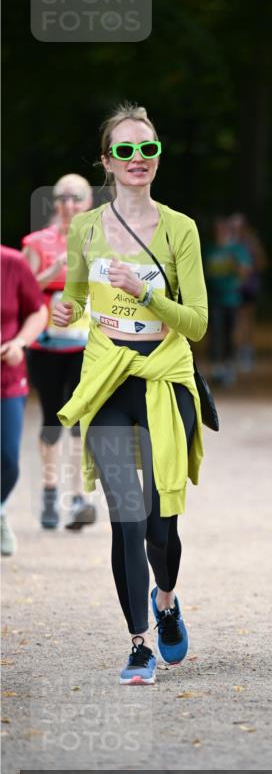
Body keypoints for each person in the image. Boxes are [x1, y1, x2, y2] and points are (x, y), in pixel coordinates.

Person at [53, 102, 208, 685]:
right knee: (127, 517)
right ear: (107, 162)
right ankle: (139, 642)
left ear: (158, 156)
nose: (138, 159)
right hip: (109, 377)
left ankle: (165, 597)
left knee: (161, 521)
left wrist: (144, 296)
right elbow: (71, 300)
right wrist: (61, 308)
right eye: (126, 150)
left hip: (166, 377)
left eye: (148, 148)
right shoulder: (86, 228)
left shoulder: (180, 229)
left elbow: (196, 323)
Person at [22, 174, 97, 531]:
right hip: (47, 346)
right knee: (52, 420)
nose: (69, 205)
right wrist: (50, 272)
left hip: (87, 346)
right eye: (63, 198)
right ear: (55, 203)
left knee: (83, 422)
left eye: (77, 198)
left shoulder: (104, 240)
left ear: (89, 203)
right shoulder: (36, 243)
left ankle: (80, 498)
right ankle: (50, 493)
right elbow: (18, 293)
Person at [1, 246, 49, 555]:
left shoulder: (12, 263)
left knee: (8, 460)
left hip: (7, 377)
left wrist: (20, 342)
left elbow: (38, 310)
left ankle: (0, 509)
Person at [204, 215, 252, 385]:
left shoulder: (237, 249)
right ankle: (217, 366)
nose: (220, 233)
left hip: (231, 298)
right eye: (217, 230)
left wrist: (235, 265)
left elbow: (246, 271)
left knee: (230, 333)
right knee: (215, 332)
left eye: (223, 230)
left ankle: (229, 364)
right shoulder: (208, 249)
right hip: (213, 297)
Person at [234, 213, 267, 373]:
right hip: (232, 288)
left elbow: (261, 263)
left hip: (248, 287)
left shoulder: (250, 242)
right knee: (236, 321)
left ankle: (246, 352)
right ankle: (237, 352)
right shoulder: (230, 242)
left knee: (246, 320)